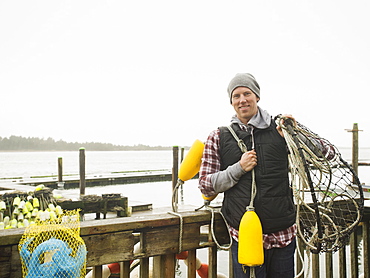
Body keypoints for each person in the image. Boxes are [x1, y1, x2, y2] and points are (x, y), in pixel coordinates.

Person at [198, 73, 297, 277]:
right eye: (236, 96)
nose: (242, 100)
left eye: (247, 93)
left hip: (283, 234)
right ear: (231, 102)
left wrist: (295, 132)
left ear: (257, 96)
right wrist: (239, 168)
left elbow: (325, 154)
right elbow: (205, 185)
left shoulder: (281, 129)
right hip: (244, 237)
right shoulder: (218, 136)